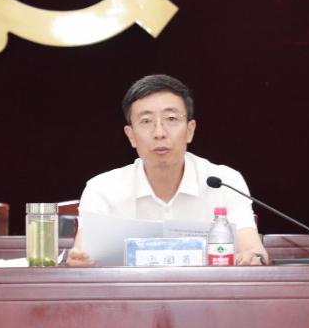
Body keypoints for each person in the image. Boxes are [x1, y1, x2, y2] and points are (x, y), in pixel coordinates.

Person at [67, 74, 269, 266]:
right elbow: (83, 253)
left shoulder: (225, 182)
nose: (160, 133)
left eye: (171, 119)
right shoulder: (102, 189)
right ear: (131, 136)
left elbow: (253, 249)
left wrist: (254, 257)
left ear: (190, 130)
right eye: (146, 121)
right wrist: (79, 259)